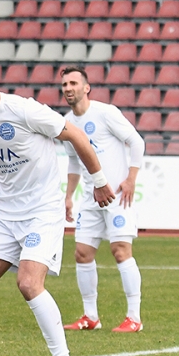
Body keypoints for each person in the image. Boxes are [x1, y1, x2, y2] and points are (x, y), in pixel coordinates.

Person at [0, 46, 114, 356]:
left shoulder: (24, 110)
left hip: (42, 211)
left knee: (28, 283)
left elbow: (76, 136)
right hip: (5, 214)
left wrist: (100, 180)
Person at [60, 66, 146, 333]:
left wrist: (131, 179)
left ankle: (134, 317)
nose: (68, 88)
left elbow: (137, 141)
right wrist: (69, 196)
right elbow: (74, 161)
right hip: (89, 198)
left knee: (121, 251)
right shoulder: (66, 122)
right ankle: (91, 316)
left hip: (118, 196)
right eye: (64, 84)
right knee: (82, 253)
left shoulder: (106, 113)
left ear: (86, 88)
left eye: (73, 83)